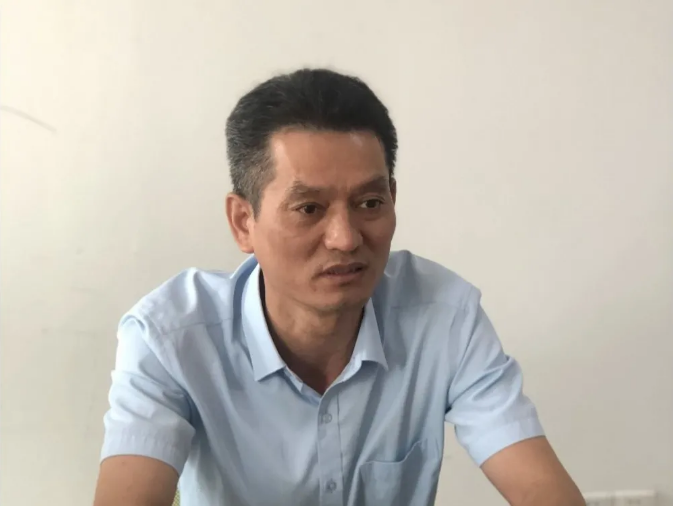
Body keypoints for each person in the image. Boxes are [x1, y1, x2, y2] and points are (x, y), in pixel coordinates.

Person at [93, 68, 583, 506]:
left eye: (369, 203)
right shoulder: (169, 338)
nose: (346, 238)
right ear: (243, 222)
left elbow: (540, 489)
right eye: (309, 209)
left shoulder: (444, 315)